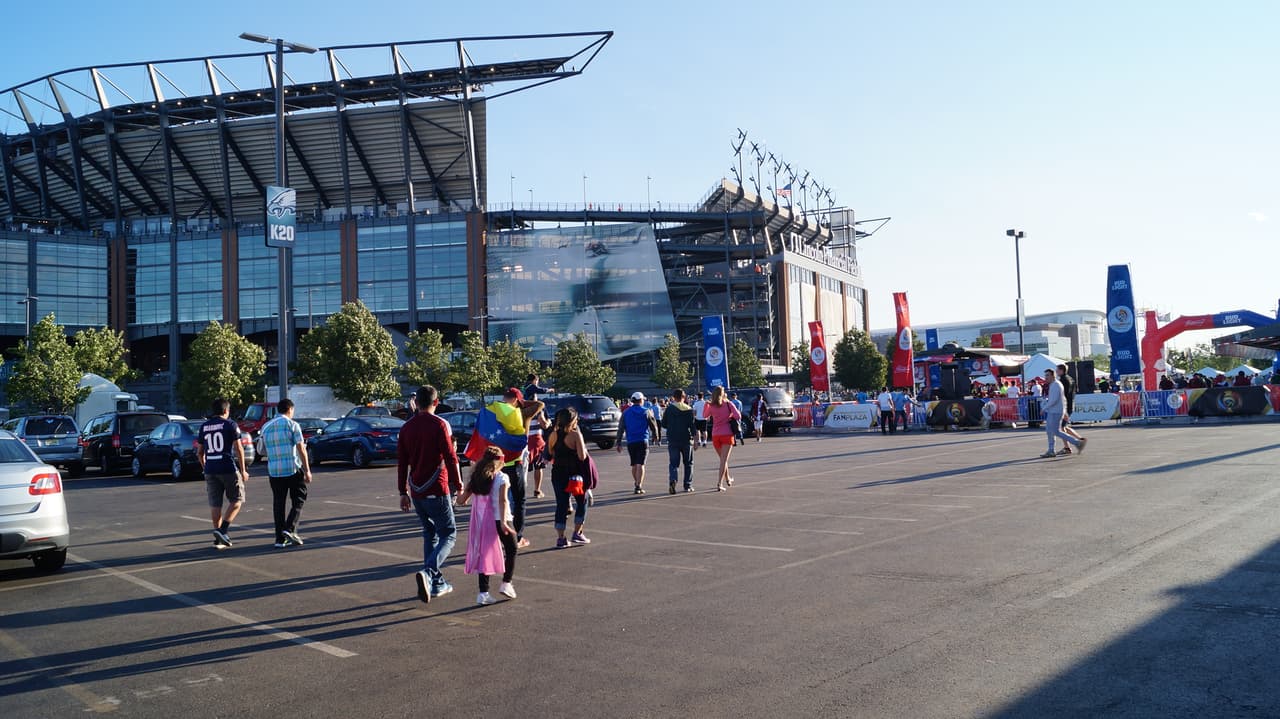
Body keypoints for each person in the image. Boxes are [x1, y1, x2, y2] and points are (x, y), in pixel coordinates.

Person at [397, 385, 463, 603]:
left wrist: (402, 491)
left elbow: (402, 462)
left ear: (416, 403)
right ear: (436, 402)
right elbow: (450, 456)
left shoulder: (406, 427)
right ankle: (429, 572)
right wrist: (458, 482)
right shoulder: (440, 424)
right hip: (437, 487)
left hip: (416, 490)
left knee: (429, 533)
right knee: (449, 534)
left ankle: (435, 582)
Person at [458, 446, 517, 606]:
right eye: (503, 458)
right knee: (512, 549)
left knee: (484, 554)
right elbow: (503, 500)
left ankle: (483, 593)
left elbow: (461, 500)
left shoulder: (477, 477)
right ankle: (506, 583)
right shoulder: (502, 478)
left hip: (483, 521)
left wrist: (459, 490)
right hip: (501, 519)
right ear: (498, 460)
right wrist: (504, 522)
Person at [197, 398, 250, 549]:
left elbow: (199, 452)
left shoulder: (204, 426)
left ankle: (218, 536)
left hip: (210, 468)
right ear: (226, 410)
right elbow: (239, 448)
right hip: (227, 466)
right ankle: (223, 530)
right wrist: (243, 469)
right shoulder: (230, 424)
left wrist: (205, 466)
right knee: (237, 500)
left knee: (215, 503)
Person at [260, 398, 313, 549]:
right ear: (290, 409)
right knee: (299, 498)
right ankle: (289, 528)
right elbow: (301, 448)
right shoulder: (292, 425)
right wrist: (307, 470)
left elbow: (260, 449)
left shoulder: (266, 426)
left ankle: (279, 539)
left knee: (279, 503)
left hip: (274, 470)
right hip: (291, 468)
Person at [547, 407, 591, 547]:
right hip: (575, 475)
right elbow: (582, 456)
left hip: (558, 473)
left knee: (561, 504)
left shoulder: (553, 435)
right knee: (581, 501)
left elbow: (550, 453)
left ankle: (561, 538)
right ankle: (577, 533)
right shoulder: (575, 435)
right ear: (572, 421)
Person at [495, 388, 533, 548]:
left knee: (499, 501)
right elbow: (540, 404)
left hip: (498, 464)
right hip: (514, 463)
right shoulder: (519, 414)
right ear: (517, 400)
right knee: (518, 501)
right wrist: (522, 403)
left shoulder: (495, 411)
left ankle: (498, 537)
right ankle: (517, 537)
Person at [616, 391, 659, 494]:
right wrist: (655, 436)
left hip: (631, 441)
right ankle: (639, 485)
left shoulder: (626, 413)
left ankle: (636, 482)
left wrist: (618, 442)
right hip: (643, 440)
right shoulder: (646, 411)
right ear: (641, 400)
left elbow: (621, 428)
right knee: (641, 464)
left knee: (634, 464)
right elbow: (653, 425)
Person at [702, 386, 742, 491]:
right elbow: (738, 416)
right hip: (727, 434)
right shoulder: (728, 404)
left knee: (723, 460)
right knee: (723, 461)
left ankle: (728, 478)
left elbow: (704, 415)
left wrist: (706, 405)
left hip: (715, 435)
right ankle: (719, 483)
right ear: (723, 393)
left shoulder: (711, 406)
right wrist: (730, 415)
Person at [1039, 369, 1086, 458]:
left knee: (1056, 431)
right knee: (1050, 431)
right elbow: (1062, 399)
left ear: (1053, 376)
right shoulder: (1054, 385)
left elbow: (1054, 400)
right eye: (1045, 375)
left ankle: (1077, 443)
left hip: (1055, 412)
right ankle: (1051, 450)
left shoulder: (1056, 385)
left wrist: (1044, 408)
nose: (1046, 377)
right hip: (1054, 411)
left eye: (1048, 375)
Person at [662, 388, 697, 493]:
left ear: (674, 397)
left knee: (673, 463)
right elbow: (692, 426)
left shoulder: (669, 409)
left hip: (673, 439)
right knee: (688, 463)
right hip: (686, 439)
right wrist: (695, 439)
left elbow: (664, 424)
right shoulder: (689, 409)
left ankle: (673, 479)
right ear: (684, 397)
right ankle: (688, 485)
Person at [525, 399, 550, 499]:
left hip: (524, 439)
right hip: (536, 440)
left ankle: (521, 490)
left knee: (523, 467)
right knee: (538, 466)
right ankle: (537, 490)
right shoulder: (538, 410)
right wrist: (549, 422)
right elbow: (544, 425)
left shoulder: (522, 409)